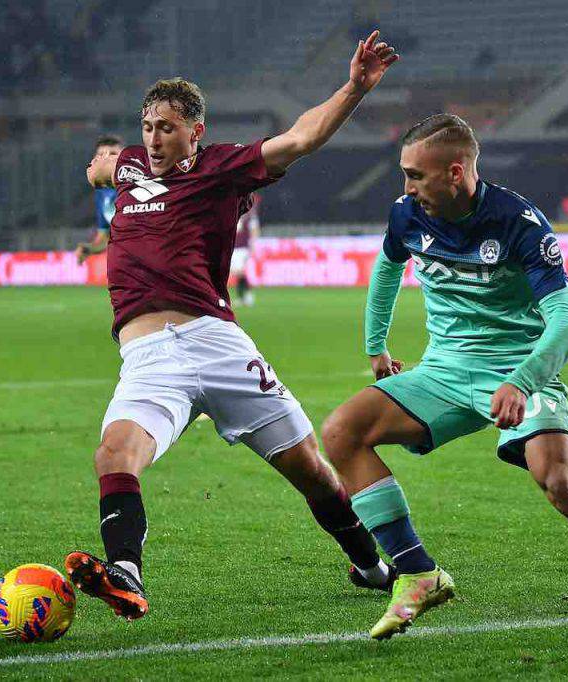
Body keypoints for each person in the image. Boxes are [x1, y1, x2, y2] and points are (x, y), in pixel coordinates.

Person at [65, 31, 400, 621]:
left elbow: (303, 137)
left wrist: (354, 88)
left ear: (195, 131)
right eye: (147, 125)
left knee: (313, 473)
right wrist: (101, 168)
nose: (153, 137)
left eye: (166, 126)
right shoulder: (129, 165)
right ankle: (125, 574)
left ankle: (370, 565)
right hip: (148, 357)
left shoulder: (224, 167)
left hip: (216, 342)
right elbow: (104, 165)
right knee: (114, 454)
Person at [320, 114, 568, 653]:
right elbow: (387, 269)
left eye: (416, 175)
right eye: (404, 174)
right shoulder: (407, 215)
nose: (406, 187)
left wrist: (521, 379)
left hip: (520, 367)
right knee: (342, 432)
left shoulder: (518, 223)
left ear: (456, 173)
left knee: (561, 484)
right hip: (444, 371)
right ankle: (416, 571)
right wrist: (376, 344)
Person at [76, 135, 124, 265]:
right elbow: (104, 238)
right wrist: (89, 249)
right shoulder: (102, 194)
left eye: (113, 153)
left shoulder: (140, 185)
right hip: (127, 268)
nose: (107, 158)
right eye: (101, 154)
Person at [232, 193, 260, 306]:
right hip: (234, 247)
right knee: (237, 273)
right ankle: (244, 297)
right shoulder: (234, 213)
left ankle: (246, 296)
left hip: (243, 247)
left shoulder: (250, 216)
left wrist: (252, 245)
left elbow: (255, 230)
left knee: (240, 272)